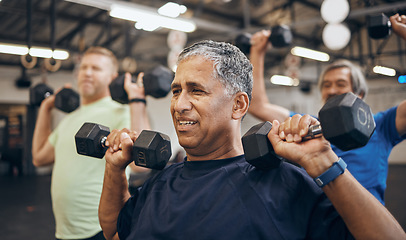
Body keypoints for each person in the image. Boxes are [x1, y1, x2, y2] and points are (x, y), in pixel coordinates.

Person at [98, 40, 405, 240]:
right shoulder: (161, 181)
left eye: (197, 90)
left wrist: (325, 163)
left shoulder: (284, 183)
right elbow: (114, 231)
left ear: (239, 105)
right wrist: (114, 171)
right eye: (177, 90)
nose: (179, 105)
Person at [247, 15, 406, 204]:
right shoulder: (307, 126)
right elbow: (258, 105)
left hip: (364, 225)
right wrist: (257, 51)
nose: (331, 90)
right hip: (317, 225)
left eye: (340, 84)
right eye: (327, 85)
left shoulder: (381, 124)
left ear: (359, 93)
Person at [31, 46, 150, 240]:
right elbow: (39, 158)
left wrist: (136, 99)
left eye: (95, 68)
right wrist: (46, 109)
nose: (86, 73)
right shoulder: (70, 118)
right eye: (83, 67)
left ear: (112, 77)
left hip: (102, 228)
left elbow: (140, 165)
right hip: (64, 230)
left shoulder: (121, 111)